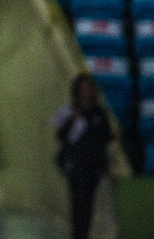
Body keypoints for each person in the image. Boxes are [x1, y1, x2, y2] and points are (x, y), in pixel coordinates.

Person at [54, 74, 112, 239]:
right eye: (83, 88)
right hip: (76, 165)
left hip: (93, 166)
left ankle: (83, 234)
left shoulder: (99, 113)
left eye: (88, 88)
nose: (85, 92)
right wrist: (72, 121)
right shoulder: (69, 110)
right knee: (78, 203)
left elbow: (105, 137)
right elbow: (62, 136)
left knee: (87, 205)